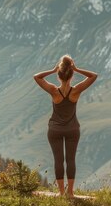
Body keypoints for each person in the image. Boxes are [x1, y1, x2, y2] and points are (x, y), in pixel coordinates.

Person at [34, 55, 97, 197]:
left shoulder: (53, 91)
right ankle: (70, 192)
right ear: (71, 75)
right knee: (70, 160)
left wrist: (52, 70)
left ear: (59, 75)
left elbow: (37, 77)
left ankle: (61, 192)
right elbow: (93, 76)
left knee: (58, 160)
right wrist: (77, 68)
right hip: (72, 129)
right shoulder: (76, 91)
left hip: (54, 130)